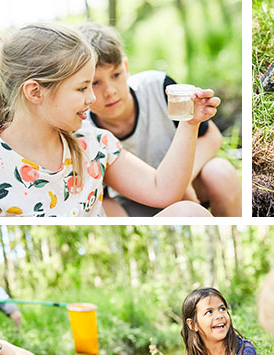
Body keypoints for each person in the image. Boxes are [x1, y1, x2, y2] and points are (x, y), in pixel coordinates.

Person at [0, 23, 218, 217]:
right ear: (35, 92)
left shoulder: (94, 144)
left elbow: (162, 189)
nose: (92, 98)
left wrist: (189, 123)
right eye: (82, 88)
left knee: (189, 210)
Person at [76, 23, 240, 217]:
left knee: (220, 172)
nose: (110, 91)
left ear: (126, 68)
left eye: (116, 75)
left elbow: (211, 137)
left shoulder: (157, 87)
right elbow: (100, 198)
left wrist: (182, 182)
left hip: (192, 182)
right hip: (136, 202)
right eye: (95, 83)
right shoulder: (84, 131)